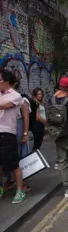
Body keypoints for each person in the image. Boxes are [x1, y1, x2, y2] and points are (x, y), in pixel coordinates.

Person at [0, 70, 26, 203]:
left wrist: (25, 134)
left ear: (6, 81)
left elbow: (3, 105)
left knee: (13, 164)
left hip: (7, 133)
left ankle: (20, 190)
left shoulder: (16, 96)